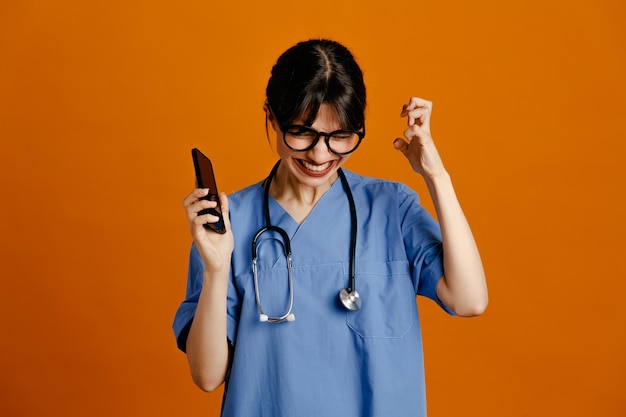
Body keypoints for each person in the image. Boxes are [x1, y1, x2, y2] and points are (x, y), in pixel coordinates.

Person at [173, 39, 488, 417]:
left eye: (340, 136)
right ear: (271, 117)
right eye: (302, 133)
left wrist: (435, 174)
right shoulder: (229, 225)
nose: (320, 155)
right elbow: (207, 376)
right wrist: (216, 267)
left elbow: (469, 300)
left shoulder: (392, 208)